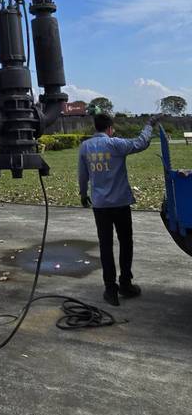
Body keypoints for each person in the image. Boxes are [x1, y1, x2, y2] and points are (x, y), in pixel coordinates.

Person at [78, 112, 156, 306]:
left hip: (100, 206)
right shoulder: (116, 144)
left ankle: (110, 289)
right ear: (110, 129)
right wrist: (149, 124)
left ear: (96, 127)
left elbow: (82, 175)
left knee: (105, 246)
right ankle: (125, 284)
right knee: (126, 242)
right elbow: (141, 143)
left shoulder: (85, 146)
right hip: (120, 203)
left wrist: (83, 194)